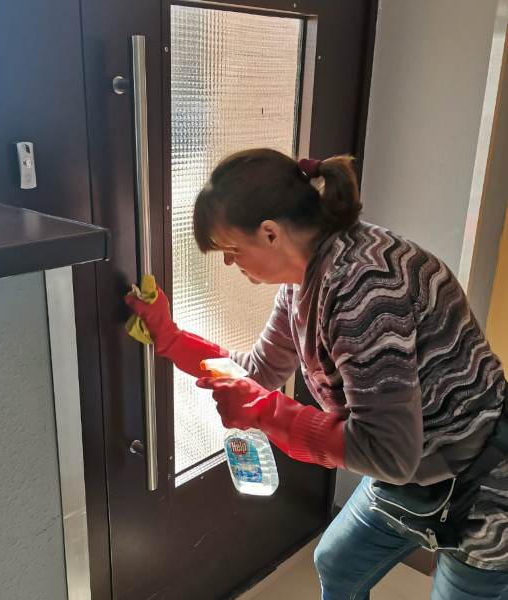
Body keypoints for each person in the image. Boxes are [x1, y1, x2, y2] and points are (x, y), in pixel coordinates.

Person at [125, 148, 508, 599]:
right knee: (337, 563)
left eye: (232, 249)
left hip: (485, 485)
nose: (229, 263)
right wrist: (169, 337)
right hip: (413, 473)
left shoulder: (366, 289)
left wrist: (265, 412)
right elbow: (257, 372)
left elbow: (388, 452)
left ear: (270, 233)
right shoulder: (303, 280)